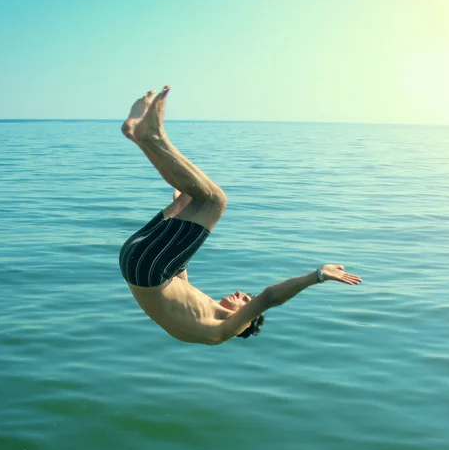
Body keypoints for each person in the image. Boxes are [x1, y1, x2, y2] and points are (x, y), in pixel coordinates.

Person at [119, 87, 362, 345]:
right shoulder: (199, 312)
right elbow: (179, 272)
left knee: (215, 200)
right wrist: (179, 207)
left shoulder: (222, 330)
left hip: (148, 269)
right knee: (191, 197)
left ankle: (152, 136)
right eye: (246, 297)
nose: (241, 295)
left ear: (246, 322)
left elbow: (268, 297)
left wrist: (318, 276)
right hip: (135, 260)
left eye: (245, 301)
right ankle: (138, 135)